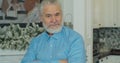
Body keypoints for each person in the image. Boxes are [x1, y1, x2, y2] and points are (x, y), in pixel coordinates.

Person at [21, 0, 86, 63]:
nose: (54, 20)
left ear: (62, 15)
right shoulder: (36, 42)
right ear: (41, 18)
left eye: (57, 14)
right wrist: (59, 61)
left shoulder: (75, 39)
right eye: (48, 16)